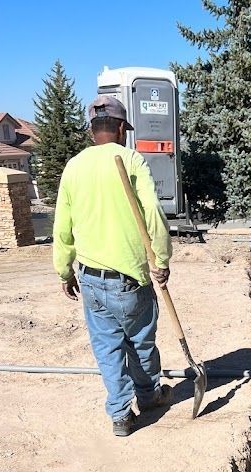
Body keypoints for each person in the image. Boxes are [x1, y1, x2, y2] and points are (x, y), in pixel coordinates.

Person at [53, 95, 173, 437]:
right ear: (122, 128)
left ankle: (120, 414)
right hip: (130, 278)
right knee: (140, 341)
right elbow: (153, 213)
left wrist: (64, 270)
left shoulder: (74, 166)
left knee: (107, 347)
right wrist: (161, 262)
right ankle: (148, 397)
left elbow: (62, 226)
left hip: (90, 276)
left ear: (92, 130)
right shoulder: (132, 159)